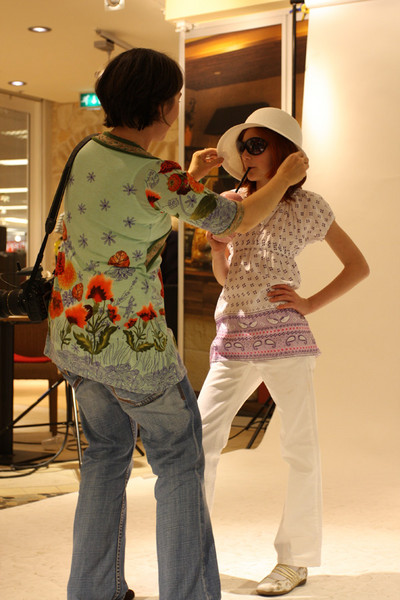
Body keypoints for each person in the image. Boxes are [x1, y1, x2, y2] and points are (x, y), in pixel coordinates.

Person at [44, 50, 308, 600]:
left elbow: (134, 212)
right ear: (163, 105)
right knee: (181, 461)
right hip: (133, 346)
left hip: (75, 336)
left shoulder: (86, 152)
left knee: (104, 458)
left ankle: (93, 591)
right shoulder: (155, 174)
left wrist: (190, 179)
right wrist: (284, 177)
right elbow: (237, 218)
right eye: (176, 100)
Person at [197, 107, 370, 597]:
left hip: (285, 336)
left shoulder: (309, 206)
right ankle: (192, 547)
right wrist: (217, 251)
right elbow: (228, 278)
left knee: (299, 447)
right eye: (244, 146)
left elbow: (358, 265)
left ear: (285, 151)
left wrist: (309, 303)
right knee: (199, 439)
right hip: (233, 335)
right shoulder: (232, 203)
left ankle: (294, 560)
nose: (247, 154)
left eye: (257, 145)